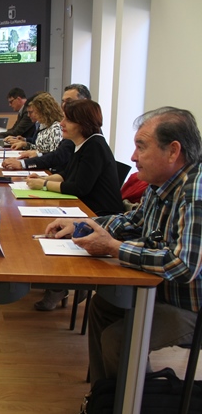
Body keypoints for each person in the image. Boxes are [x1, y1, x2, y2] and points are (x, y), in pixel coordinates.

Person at [44, 107, 202, 387]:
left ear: (173, 151)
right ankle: (108, 396)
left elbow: (183, 266)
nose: (132, 157)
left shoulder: (195, 194)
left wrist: (114, 248)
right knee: (103, 305)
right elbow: (132, 219)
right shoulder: (160, 183)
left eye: (141, 147)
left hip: (190, 307)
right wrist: (83, 225)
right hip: (159, 290)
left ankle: (130, 399)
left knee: (119, 339)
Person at [26, 100, 124, 311]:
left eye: (67, 119)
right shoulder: (84, 144)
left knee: (49, 225)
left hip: (100, 215)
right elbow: (67, 175)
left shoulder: (95, 145)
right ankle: (57, 284)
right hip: (83, 207)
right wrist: (44, 181)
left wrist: (43, 185)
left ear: (83, 123)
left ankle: (60, 285)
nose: (61, 123)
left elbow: (78, 187)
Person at [2, 84, 91, 172]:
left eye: (69, 101)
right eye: (63, 101)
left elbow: (57, 157)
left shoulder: (87, 133)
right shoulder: (44, 126)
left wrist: (24, 163)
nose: (64, 105)